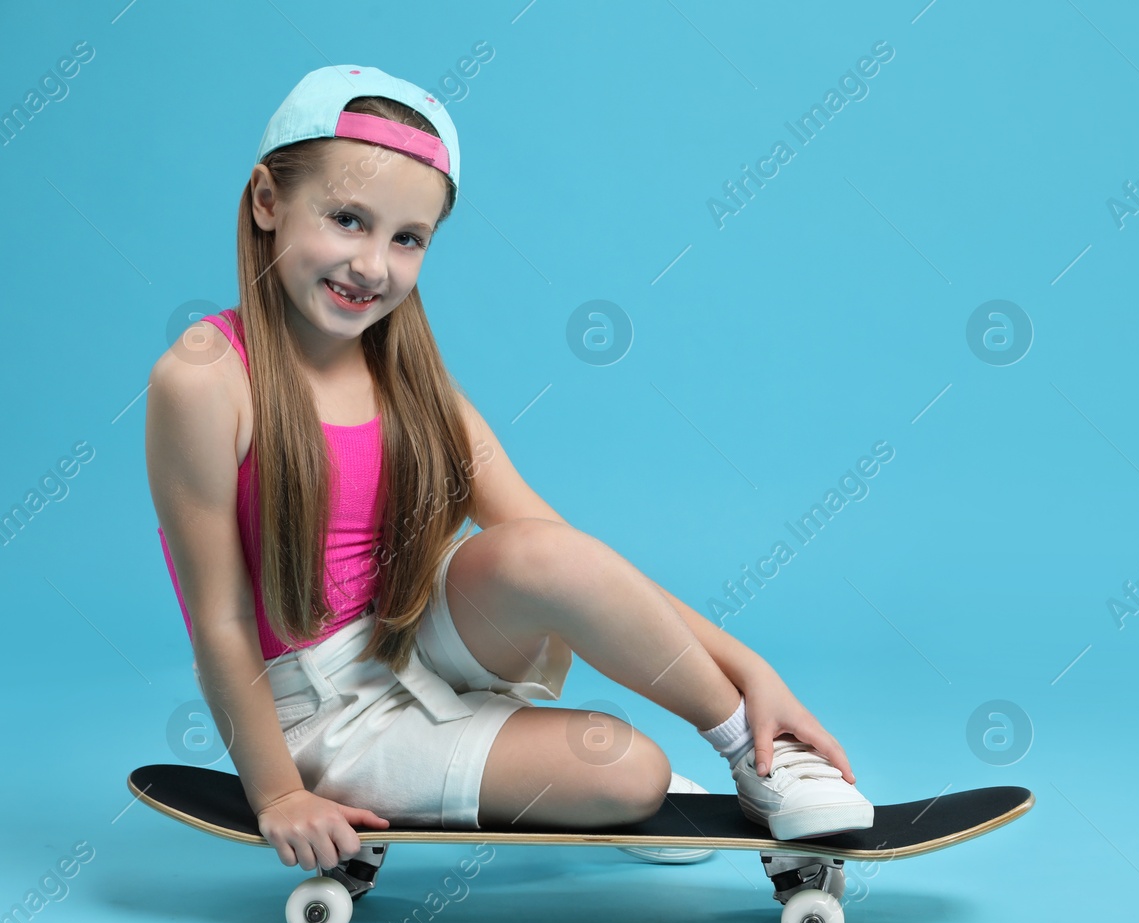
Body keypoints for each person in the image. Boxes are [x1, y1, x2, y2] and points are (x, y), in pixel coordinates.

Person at [145, 64, 872, 877]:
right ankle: (536, 762)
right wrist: (278, 794)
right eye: (347, 219)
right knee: (635, 774)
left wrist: (748, 673)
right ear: (267, 200)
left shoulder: (410, 380)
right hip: (320, 711)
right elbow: (221, 621)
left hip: (409, 634)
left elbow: (572, 560)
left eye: (407, 238)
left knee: (537, 547)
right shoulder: (206, 377)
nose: (373, 265)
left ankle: (752, 753)